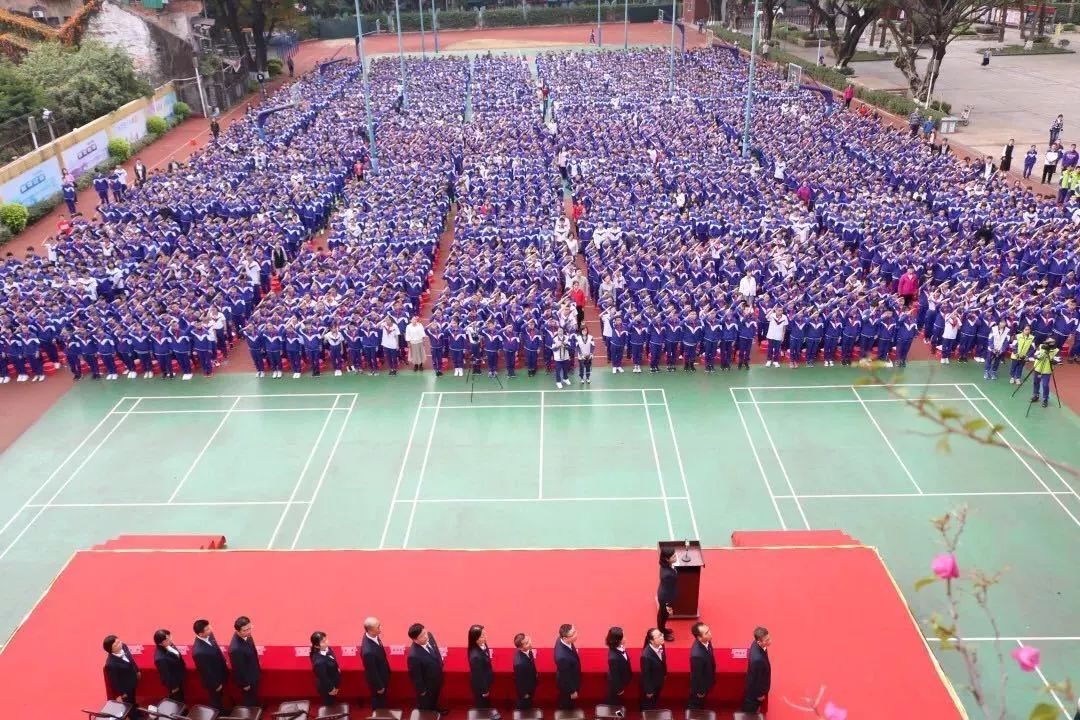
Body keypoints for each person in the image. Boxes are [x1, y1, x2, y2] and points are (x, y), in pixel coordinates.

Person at [407, 622, 447, 713]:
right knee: (426, 706)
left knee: (434, 700)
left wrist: (440, 664)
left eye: (425, 632)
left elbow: (435, 649)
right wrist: (422, 691)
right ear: (415, 640)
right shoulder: (414, 656)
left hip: (437, 679)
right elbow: (416, 677)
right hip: (427, 687)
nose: (426, 636)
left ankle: (435, 710)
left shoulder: (429, 636)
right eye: (422, 636)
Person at [192, 619, 228, 710]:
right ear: (200, 634)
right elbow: (206, 671)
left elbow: (217, 649)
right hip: (213, 682)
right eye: (207, 629)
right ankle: (217, 714)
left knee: (221, 696)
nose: (211, 629)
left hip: (220, 673)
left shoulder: (209, 635)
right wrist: (215, 685)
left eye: (209, 627)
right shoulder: (198, 652)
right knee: (215, 700)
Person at [103, 635, 142, 716]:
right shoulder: (111, 664)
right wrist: (120, 693)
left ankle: (134, 707)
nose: (119, 644)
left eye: (118, 641)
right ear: (110, 650)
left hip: (132, 681)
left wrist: (137, 671)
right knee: (128, 703)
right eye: (116, 645)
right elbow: (114, 681)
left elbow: (131, 659)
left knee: (133, 698)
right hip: (125, 687)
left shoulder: (123, 646)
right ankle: (133, 716)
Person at [229, 616, 261, 707]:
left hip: (254, 673)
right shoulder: (235, 649)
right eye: (245, 630)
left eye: (249, 628)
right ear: (238, 631)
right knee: (249, 699)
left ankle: (256, 707)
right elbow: (238, 669)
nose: (249, 631)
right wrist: (244, 684)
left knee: (254, 695)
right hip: (247, 680)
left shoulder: (247, 635)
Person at [362, 617, 392, 709]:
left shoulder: (373, 635)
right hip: (378, 682)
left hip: (382, 673)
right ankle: (378, 714)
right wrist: (379, 686)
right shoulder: (368, 652)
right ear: (370, 630)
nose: (380, 629)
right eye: (378, 627)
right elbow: (372, 671)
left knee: (381, 699)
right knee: (378, 700)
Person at [741, 627, 772, 714]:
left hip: (752, 685)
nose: (770, 641)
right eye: (767, 640)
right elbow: (757, 679)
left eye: (769, 638)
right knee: (750, 712)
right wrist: (759, 694)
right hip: (754, 694)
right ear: (759, 642)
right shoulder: (758, 660)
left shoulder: (756, 643)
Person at [153, 628, 187, 704]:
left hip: (179, 676)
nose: (171, 640)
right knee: (177, 701)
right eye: (168, 639)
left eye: (170, 637)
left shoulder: (168, 644)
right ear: (160, 643)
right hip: (174, 683)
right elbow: (166, 675)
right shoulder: (160, 658)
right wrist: (174, 687)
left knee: (181, 697)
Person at [688, 622, 716, 709]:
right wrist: (701, 691)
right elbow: (696, 676)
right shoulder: (697, 655)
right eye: (706, 633)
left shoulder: (707, 640)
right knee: (696, 705)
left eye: (709, 630)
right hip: (700, 689)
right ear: (699, 638)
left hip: (708, 679)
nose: (710, 633)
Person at [554, 623, 581, 710]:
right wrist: (572, 691)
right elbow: (566, 676)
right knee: (567, 707)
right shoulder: (562, 657)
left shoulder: (562, 639)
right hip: (567, 687)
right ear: (565, 638)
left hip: (570, 675)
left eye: (575, 631)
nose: (576, 634)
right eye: (573, 634)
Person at [310, 631, 342, 707]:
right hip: (327, 688)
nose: (327, 642)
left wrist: (337, 668)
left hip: (333, 680)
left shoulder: (326, 648)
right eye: (323, 642)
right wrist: (331, 689)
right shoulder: (319, 662)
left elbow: (332, 659)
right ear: (317, 646)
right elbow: (323, 677)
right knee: (329, 704)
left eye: (326, 639)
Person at [468, 625, 495, 709]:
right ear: (476, 639)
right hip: (480, 687)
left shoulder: (483, 644)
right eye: (482, 636)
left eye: (485, 634)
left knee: (486, 703)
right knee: (482, 706)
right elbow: (478, 676)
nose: (485, 637)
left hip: (486, 679)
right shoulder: (475, 657)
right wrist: (484, 690)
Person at [638, 628, 666, 711]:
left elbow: (663, 662)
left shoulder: (661, 645)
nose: (662, 637)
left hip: (658, 681)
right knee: (648, 706)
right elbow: (645, 675)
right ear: (651, 641)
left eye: (661, 634)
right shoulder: (646, 656)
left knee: (654, 702)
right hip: (650, 686)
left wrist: (664, 674)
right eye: (659, 636)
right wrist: (649, 691)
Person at [605, 626, 631, 706]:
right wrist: (619, 689)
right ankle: (617, 716)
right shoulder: (613, 658)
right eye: (623, 637)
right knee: (615, 703)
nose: (625, 638)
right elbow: (615, 676)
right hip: (616, 686)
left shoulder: (618, 647)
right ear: (617, 640)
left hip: (621, 679)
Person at [1030, 338, 1059, 408]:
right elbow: (1035, 355)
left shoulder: (1056, 350)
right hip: (1038, 368)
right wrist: (1038, 356)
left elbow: (1057, 360)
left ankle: (1045, 399)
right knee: (1036, 382)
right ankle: (1036, 395)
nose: (1048, 343)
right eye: (1048, 341)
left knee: (1045, 385)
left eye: (1051, 342)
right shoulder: (1041, 346)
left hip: (1047, 370)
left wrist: (1054, 361)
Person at [513, 633, 538, 710]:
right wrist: (524, 693)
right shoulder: (519, 664)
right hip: (526, 690)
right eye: (527, 643)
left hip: (531, 683)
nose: (530, 643)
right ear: (520, 648)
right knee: (524, 706)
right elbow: (519, 681)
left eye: (528, 640)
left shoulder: (527, 650)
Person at [657, 547, 677, 642]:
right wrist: (668, 605)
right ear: (666, 559)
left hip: (666, 593)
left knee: (663, 614)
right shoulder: (667, 574)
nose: (676, 557)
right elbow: (669, 590)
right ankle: (661, 633)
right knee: (663, 615)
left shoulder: (666, 565)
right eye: (673, 556)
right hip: (666, 598)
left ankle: (663, 628)